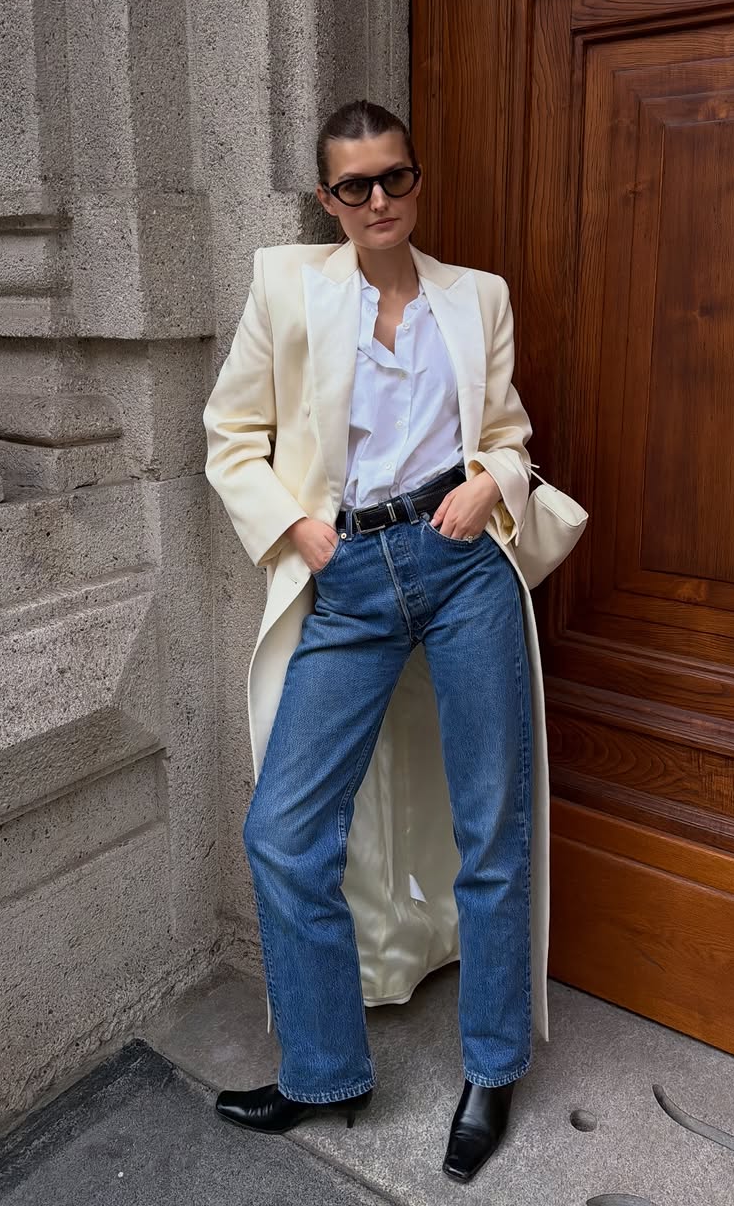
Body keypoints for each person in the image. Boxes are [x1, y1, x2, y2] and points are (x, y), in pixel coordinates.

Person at [202, 100, 550, 1183]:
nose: (379, 202)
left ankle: (491, 1069)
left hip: (461, 568)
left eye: (394, 179)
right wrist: (299, 531)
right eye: (354, 187)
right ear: (326, 199)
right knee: (283, 829)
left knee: (491, 826)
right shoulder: (287, 289)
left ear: (415, 177)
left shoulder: (475, 298)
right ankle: (324, 1070)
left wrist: (491, 478)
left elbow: (508, 432)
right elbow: (230, 438)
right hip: (348, 578)